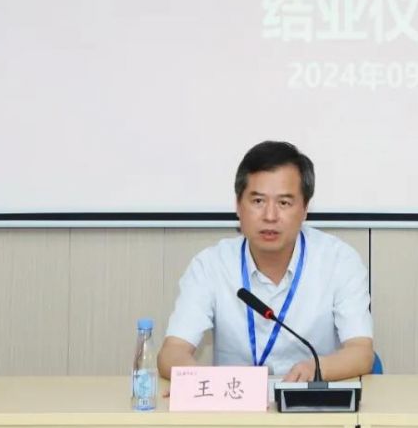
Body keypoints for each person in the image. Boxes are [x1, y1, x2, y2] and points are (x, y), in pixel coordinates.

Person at [158, 141, 374, 382]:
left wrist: (315, 369)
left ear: (305, 209)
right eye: (258, 201)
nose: (270, 216)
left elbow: (361, 352)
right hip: (235, 401)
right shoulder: (210, 265)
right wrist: (204, 383)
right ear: (238, 206)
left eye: (284, 203)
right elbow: (172, 353)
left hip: (311, 400)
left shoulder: (339, 262)